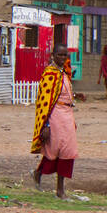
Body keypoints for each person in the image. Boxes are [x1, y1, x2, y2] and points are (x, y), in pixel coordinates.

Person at [31, 40, 79, 199]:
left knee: (68, 151)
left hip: (67, 114)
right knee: (54, 149)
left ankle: (60, 189)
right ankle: (39, 174)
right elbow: (44, 102)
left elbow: (65, 93)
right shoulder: (49, 74)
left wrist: (76, 97)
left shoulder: (64, 73)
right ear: (53, 55)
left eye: (65, 55)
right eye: (59, 54)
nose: (62, 57)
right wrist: (46, 124)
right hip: (54, 116)